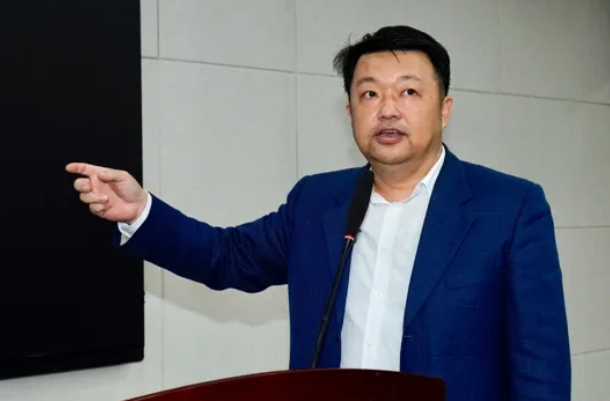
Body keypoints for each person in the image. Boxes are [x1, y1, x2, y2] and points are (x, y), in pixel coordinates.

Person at [66, 25, 571, 401]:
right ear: (350, 112)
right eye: (369, 93)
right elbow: (227, 256)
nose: (387, 109)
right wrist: (140, 211)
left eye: (409, 92)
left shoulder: (510, 207)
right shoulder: (317, 201)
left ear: (444, 109)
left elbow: (539, 363)